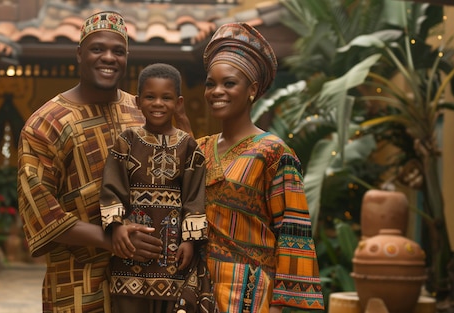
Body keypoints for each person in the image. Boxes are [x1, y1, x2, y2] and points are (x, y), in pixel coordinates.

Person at [17, 12, 189, 313]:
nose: (108, 57)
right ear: (80, 53)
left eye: (118, 51)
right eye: (98, 49)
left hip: (145, 285)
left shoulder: (142, 110)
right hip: (76, 287)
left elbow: (180, 179)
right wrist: (113, 239)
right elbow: (40, 212)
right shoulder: (47, 123)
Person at [197, 22, 326, 312]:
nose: (217, 91)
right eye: (210, 83)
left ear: (252, 89)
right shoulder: (198, 149)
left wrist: (279, 306)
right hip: (199, 293)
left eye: (229, 83)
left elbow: (293, 232)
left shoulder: (274, 153)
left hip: (250, 296)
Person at [99, 63, 210, 313]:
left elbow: (194, 197)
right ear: (138, 101)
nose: (158, 103)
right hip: (130, 252)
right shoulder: (126, 141)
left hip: (172, 257)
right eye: (150, 97)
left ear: (178, 102)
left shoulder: (188, 146)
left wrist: (190, 242)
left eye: (166, 97)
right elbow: (112, 187)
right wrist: (116, 228)